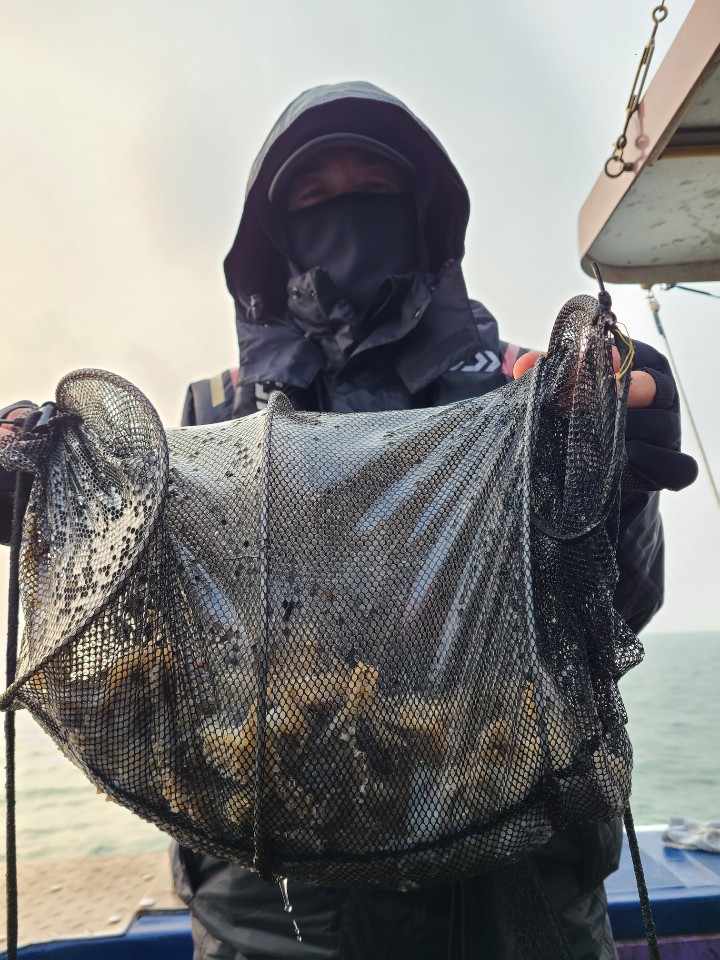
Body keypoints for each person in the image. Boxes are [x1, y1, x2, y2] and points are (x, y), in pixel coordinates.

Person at [0, 81, 698, 960]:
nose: (347, 212)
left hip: (515, 890)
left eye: (376, 188)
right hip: (270, 909)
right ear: (273, 234)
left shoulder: (526, 390)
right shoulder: (215, 417)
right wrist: (55, 503)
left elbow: (619, 609)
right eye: (314, 195)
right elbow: (154, 647)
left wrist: (617, 479)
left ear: (423, 215)